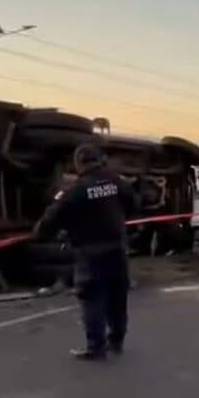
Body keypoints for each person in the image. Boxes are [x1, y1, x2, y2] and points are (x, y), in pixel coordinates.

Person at [34, 143, 139, 360]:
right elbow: (134, 203)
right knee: (117, 297)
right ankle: (116, 342)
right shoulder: (115, 181)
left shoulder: (74, 191)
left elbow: (48, 223)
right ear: (99, 160)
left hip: (90, 254)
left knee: (92, 300)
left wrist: (41, 234)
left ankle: (96, 347)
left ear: (78, 163)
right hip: (118, 249)